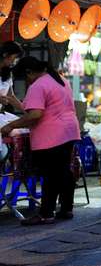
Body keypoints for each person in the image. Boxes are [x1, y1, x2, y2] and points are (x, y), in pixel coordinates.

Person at [0, 57, 80, 225]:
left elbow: (35, 114)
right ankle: (66, 208)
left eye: (26, 78)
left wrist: (10, 126)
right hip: (69, 131)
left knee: (50, 175)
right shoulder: (60, 79)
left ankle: (46, 213)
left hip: (51, 135)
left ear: (29, 72)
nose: (27, 82)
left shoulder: (39, 85)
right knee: (63, 172)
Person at [0, 41, 24, 112]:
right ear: (5, 54)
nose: (16, 60)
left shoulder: (8, 73)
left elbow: (11, 96)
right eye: (16, 57)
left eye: (18, 58)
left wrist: (27, 112)